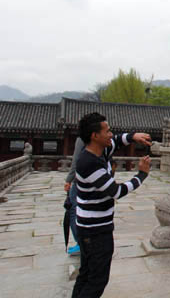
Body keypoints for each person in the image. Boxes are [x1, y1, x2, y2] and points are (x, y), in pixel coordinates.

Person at [72, 112, 152, 298]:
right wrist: (141, 175)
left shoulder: (100, 150)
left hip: (91, 228)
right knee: (97, 279)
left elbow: (117, 140)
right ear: (95, 136)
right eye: (106, 131)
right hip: (95, 230)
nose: (110, 134)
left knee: (87, 274)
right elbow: (115, 191)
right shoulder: (88, 163)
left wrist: (133, 137)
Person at [63, 137, 86, 255]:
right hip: (94, 180)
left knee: (73, 210)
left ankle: (80, 243)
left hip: (80, 180)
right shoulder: (100, 136)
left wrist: (69, 180)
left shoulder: (82, 138)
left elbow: (76, 161)